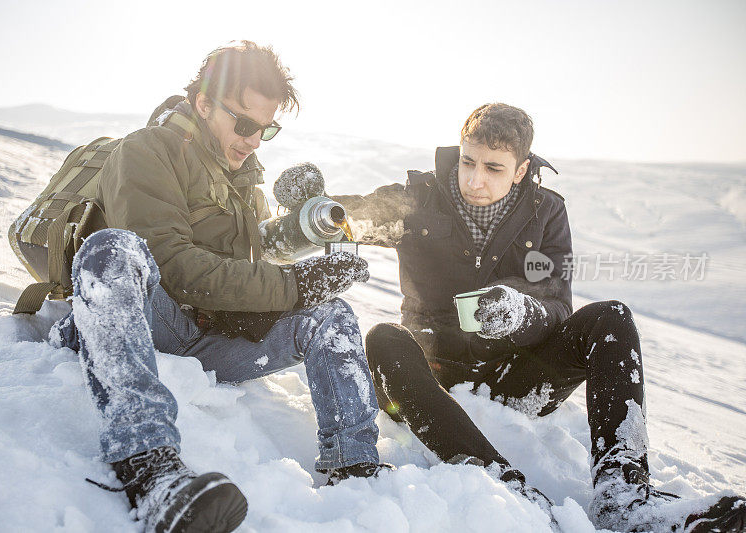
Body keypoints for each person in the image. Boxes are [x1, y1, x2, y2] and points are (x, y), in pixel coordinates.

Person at [332, 103, 745, 532]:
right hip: (429, 377)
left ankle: (623, 498)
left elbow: (555, 306)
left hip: (514, 377)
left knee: (611, 318)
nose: (475, 179)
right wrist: (310, 211)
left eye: (494, 168)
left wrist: (519, 312)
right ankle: (505, 484)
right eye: (468, 161)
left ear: (520, 168)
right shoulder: (418, 198)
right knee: (383, 338)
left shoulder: (546, 212)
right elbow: (351, 218)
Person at [49, 41, 387, 533]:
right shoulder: (146, 151)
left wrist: (314, 271)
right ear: (203, 103)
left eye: (266, 129)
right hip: (150, 321)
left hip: (211, 336)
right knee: (114, 250)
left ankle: (356, 470)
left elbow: (249, 266)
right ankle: (151, 470)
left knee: (330, 316)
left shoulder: (244, 182)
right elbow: (172, 263)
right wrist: (292, 285)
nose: (254, 140)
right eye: (244, 123)